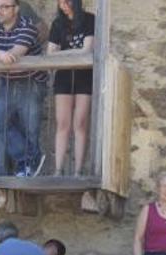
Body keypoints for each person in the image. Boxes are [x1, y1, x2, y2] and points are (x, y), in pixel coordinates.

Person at [0, 0, 48, 177]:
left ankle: (28, 169)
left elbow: (16, 53)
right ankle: (28, 159)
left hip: (31, 82)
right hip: (8, 82)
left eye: (5, 7)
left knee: (30, 128)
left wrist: (2, 54)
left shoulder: (28, 27)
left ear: (16, 9)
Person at [47, 0, 94, 177]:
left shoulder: (90, 19)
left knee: (80, 123)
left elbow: (87, 50)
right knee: (62, 123)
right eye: (60, 2)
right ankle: (58, 170)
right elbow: (49, 53)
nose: (63, 5)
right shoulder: (57, 24)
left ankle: (78, 171)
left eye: (66, 1)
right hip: (64, 76)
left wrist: (61, 54)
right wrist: (72, 53)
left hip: (84, 75)